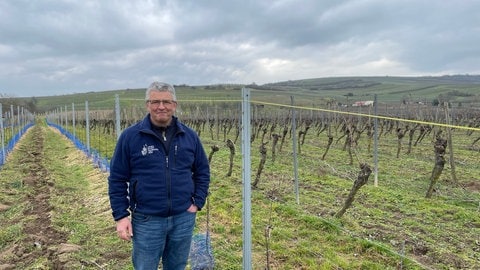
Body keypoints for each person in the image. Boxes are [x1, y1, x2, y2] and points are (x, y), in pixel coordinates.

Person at [108, 82, 211, 270]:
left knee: (177, 266)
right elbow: (117, 179)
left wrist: (197, 202)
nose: (161, 106)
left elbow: (202, 171)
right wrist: (121, 216)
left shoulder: (189, 136)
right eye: (155, 101)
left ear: (174, 104)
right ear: (147, 104)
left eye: (166, 101)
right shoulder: (131, 137)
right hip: (147, 219)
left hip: (183, 217)